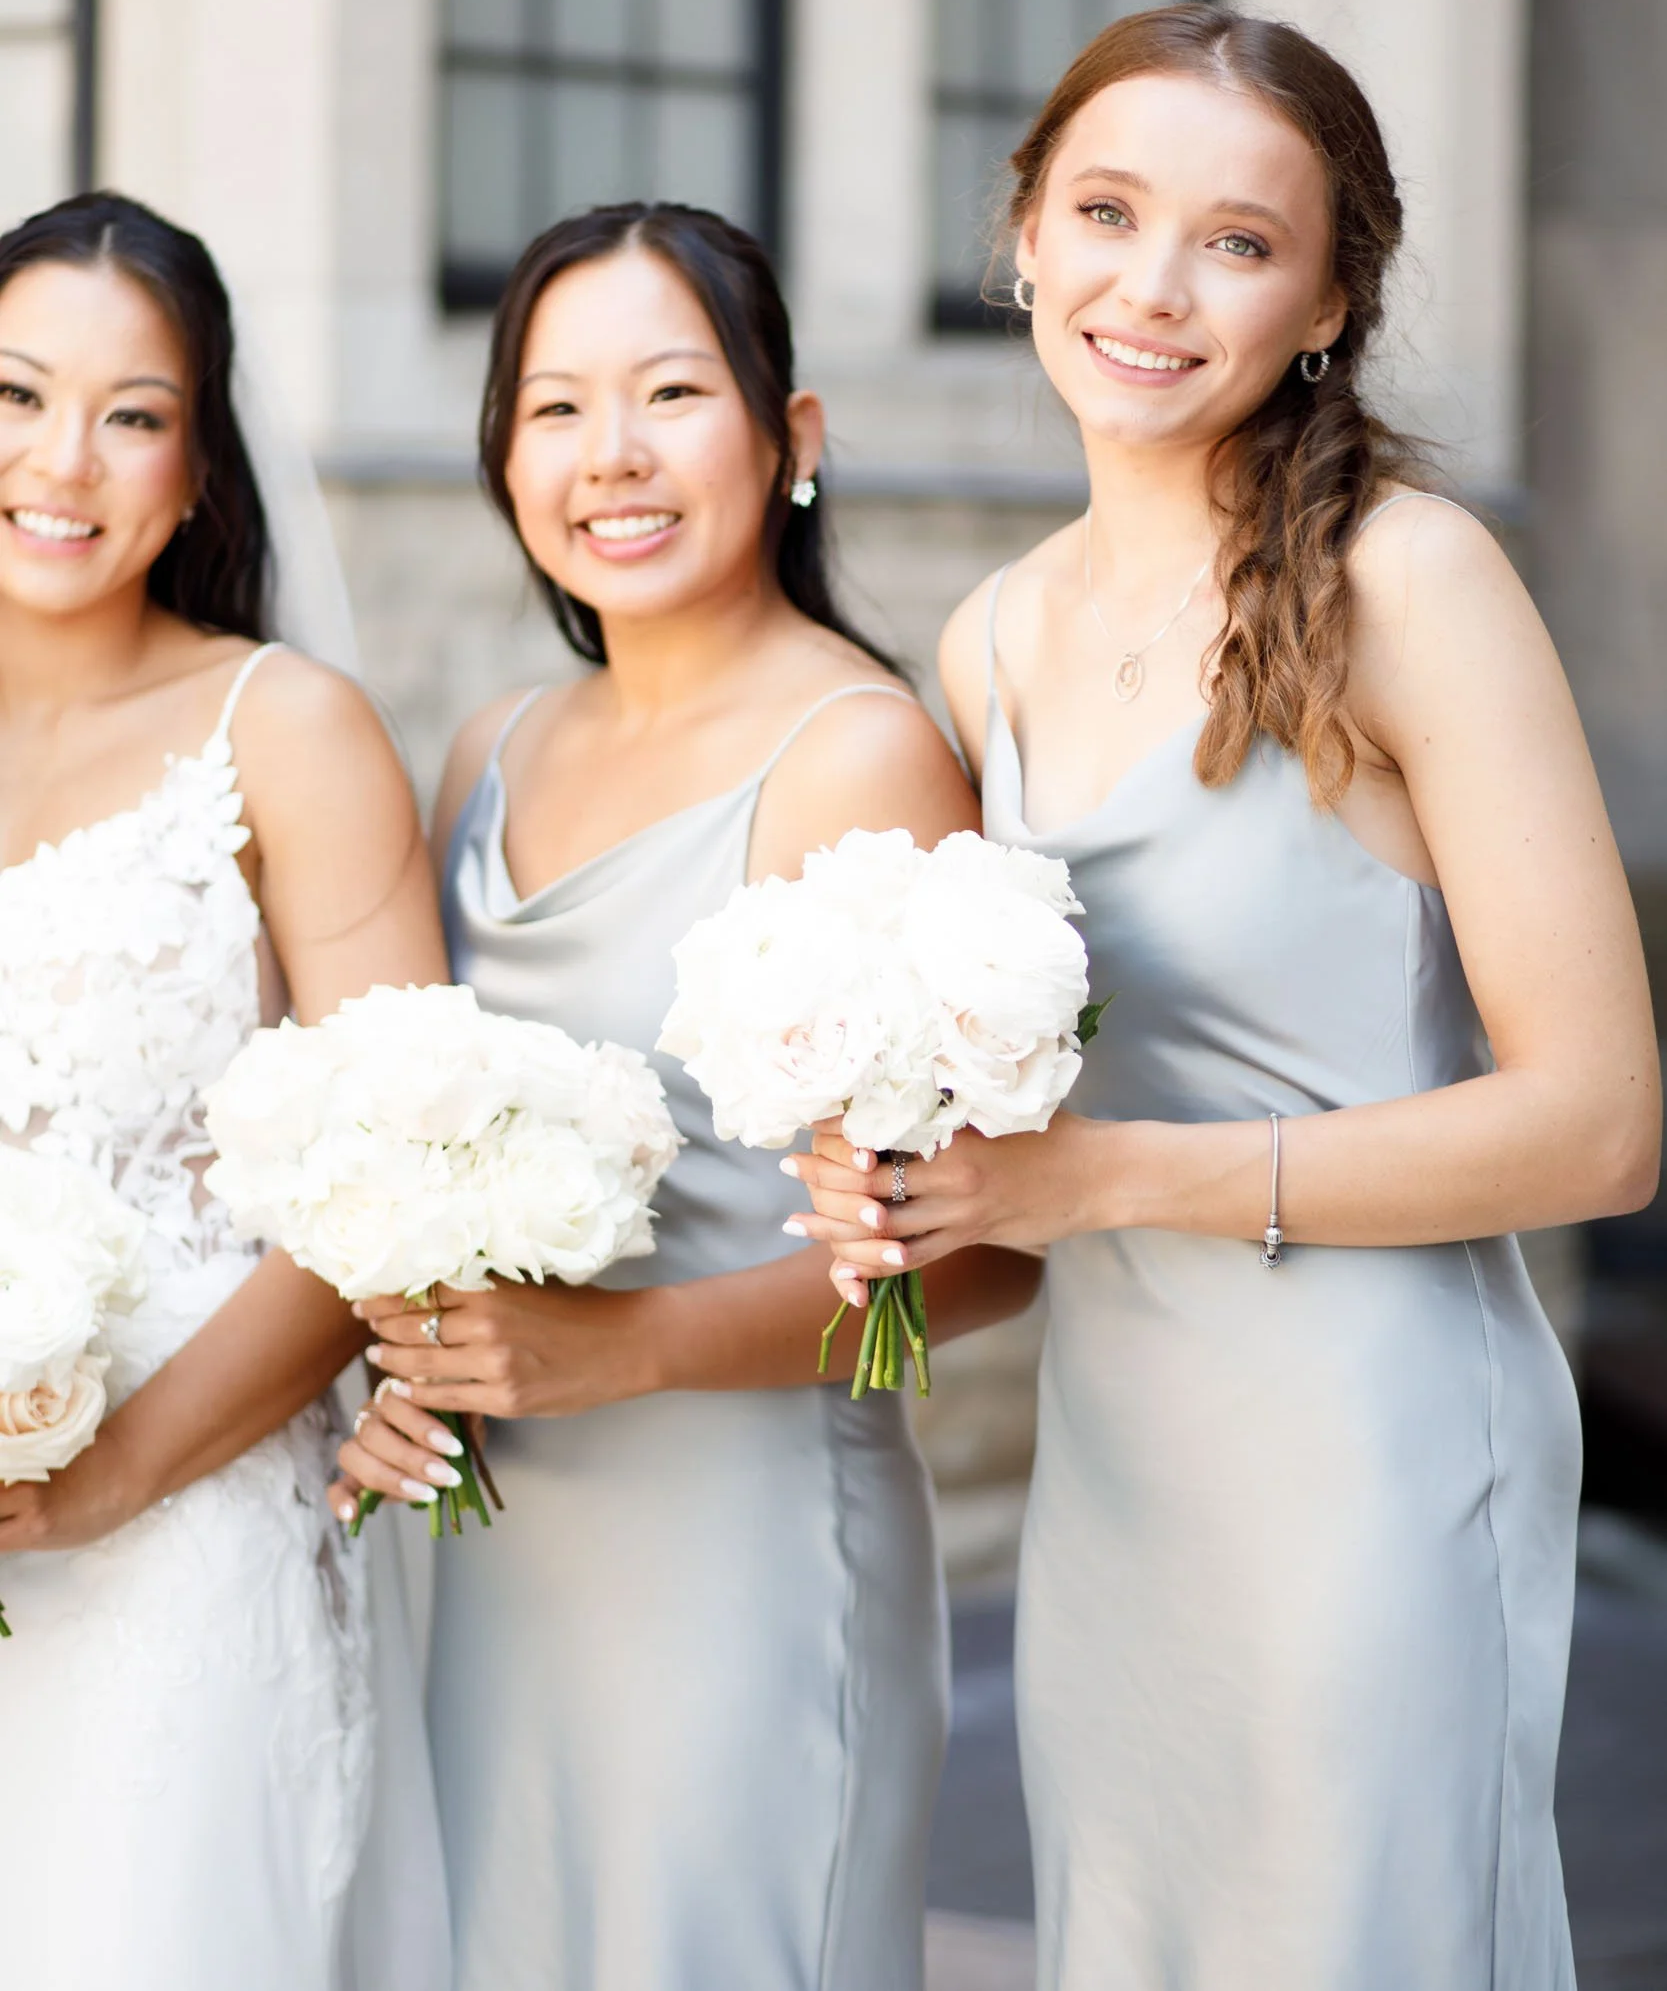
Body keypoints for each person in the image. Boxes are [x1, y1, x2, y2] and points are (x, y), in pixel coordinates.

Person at [790, 7, 1661, 1991]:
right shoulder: (990, 633)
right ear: (1019, 230)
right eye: (1103, 210)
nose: (1149, 286)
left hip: (1367, 1449)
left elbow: (1599, 1122)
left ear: (1328, 299)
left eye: (1235, 241)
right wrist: (902, 1168)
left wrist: (1096, 1177)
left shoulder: (1405, 576)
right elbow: (1011, 1093)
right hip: (1123, 1457)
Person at [334, 202, 1039, 1991]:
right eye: (555, 407)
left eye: (670, 392)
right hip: (492, 1554)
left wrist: (618, 1352)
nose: (612, 456)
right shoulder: (492, 746)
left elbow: (986, 1254)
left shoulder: (859, 752)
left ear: (789, 439)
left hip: (738, 1558)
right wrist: (407, 1355)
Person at [0, 193, 451, 1991]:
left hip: (179, 1540)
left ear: (200, 468)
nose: (63, 461)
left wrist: (106, 1481)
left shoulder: (284, 731)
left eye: (133, 414)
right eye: (17, 394)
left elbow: (401, 1187)